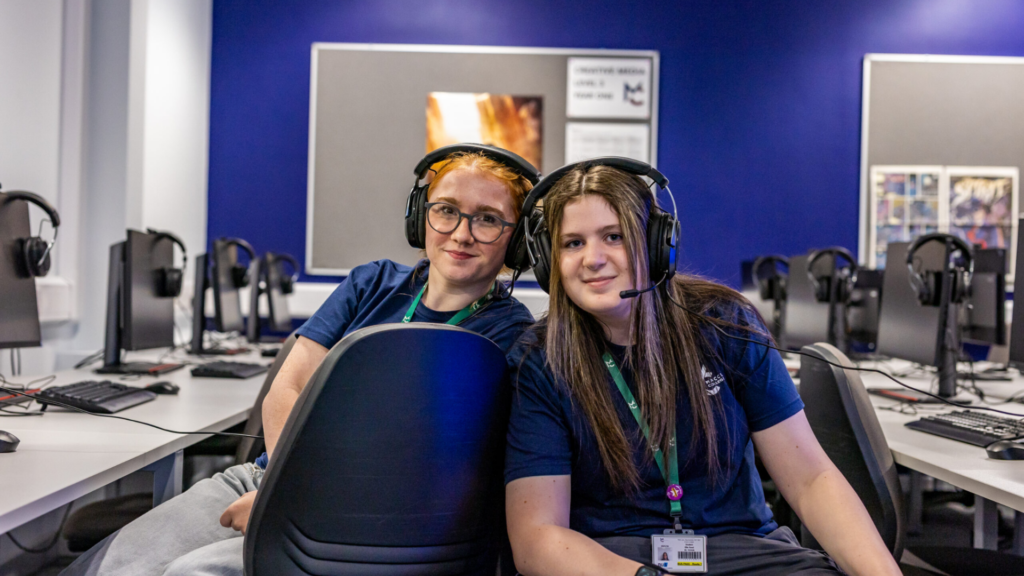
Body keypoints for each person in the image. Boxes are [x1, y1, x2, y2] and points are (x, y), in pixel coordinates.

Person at [62, 144, 538, 576]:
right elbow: (286, 391)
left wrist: (296, 505)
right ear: (421, 216)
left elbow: (448, 471)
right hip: (270, 477)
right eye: (446, 210)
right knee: (105, 568)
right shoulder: (371, 284)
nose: (461, 233)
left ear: (516, 242)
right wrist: (281, 491)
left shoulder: (511, 332)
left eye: (489, 219)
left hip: (376, 511)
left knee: (192, 572)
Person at [503, 160, 902, 576]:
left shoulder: (724, 322)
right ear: (549, 260)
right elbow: (537, 538)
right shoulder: (540, 361)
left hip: (743, 549)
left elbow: (810, 479)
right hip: (614, 563)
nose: (593, 259)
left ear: (657, 243)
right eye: (572, 243)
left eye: (614, 236)